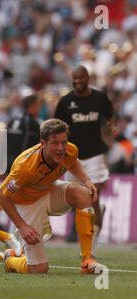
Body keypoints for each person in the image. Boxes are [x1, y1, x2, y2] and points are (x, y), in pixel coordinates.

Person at [0, 118, 106, 274]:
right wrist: (22, 227)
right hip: (27, 203)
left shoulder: (70, 150)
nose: (61, 148)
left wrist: (87, 180)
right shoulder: (25, 167)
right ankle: (10, 260)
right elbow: (2, 195)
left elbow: (72, 161)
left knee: (82, 193)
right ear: (43, 143)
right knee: (39, 269)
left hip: (47, 190)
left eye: (64, 142)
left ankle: (87, 261)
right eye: (55, 143)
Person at [54, 65, 116, 255]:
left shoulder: (99, 98)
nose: (78, 82)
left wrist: (109, 134)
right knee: (76, 202)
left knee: (92, 197)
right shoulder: (65, 102)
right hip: (72, 159)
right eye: (75, 79)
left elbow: (111, 118)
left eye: (81, 78)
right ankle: (98, 214)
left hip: (96, 155)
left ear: (88, 78)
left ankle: (90, 249)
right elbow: (55, 127)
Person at [6, 94, 41, 174]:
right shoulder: (32, 123)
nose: (40, 109)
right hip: (21, 165)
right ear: (32, 106)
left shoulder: (13, 119)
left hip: (7, 163)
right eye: (39, 106)